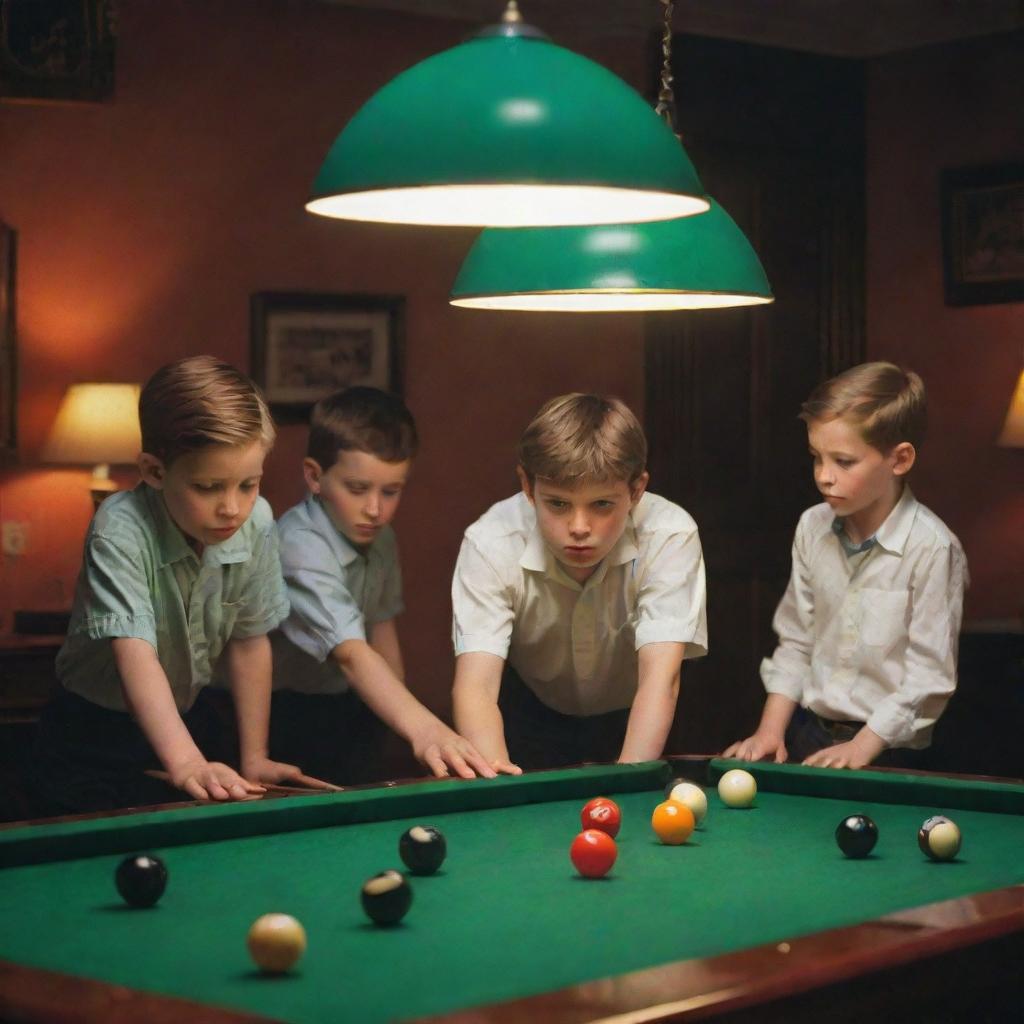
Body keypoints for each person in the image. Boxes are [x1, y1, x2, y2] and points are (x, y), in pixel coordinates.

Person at [32, 355, 319, 815]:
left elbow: (248, 641)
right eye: (208, 487)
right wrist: (187, 763)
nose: (233, 508)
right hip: (90, 734)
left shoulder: (257, 521)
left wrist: (254, 756)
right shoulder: (119, 528)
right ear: (154, 471)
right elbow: (136, 654)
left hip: (186, 718)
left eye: (248, 484)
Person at [725, 362, 968, 770]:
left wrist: (862, 748)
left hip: (890, 750)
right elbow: (798, 642)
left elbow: (929, 678)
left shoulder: (932, 548)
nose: (824, 476)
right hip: (808, 735)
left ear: (900, 459)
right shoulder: (811, 526)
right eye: (816, 457)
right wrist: (770, 731)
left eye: (844, 461)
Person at [451, 393, 707, 771]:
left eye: (602, 504)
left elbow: (660, 680)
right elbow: (476, 686)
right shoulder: (490, 542)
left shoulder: (670, 534)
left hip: (638, 712)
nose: (579, 528)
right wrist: (496, 785)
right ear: (527, 486)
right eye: (558, 504)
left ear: (636, 491)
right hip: (531, 712)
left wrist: (627, 781)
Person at [271, 386, 498, 782]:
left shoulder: (381, 537)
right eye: (357, 489)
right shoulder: (298, 545)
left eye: (390, 491)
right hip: (282, 712)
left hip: (357, 701)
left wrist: (400, 730)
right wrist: (426, 729)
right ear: (314, 476)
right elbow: (352, 654)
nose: (375, 509)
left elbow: (380, 626)